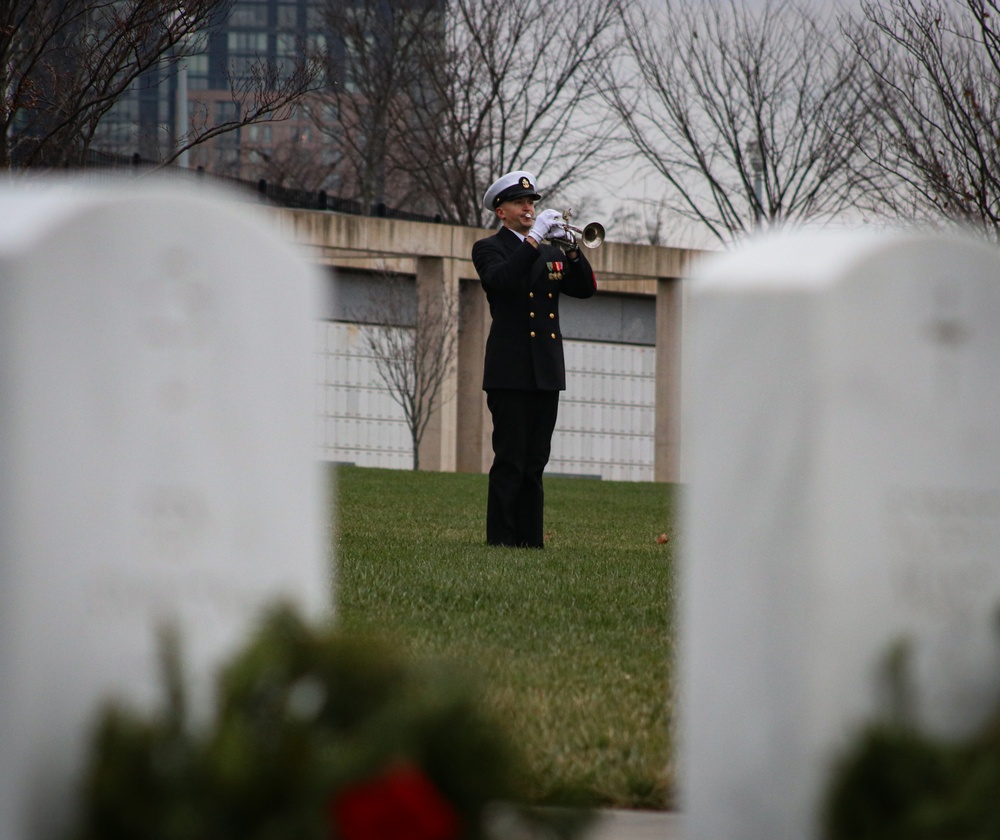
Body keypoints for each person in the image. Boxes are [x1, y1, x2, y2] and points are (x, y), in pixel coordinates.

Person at [471, 170, 597, 548]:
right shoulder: (489, 248)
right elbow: (503, 281)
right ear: (501, 211)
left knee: (535, 461)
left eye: (532, 204)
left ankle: (531, 541)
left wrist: (572, 249)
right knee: (510, 459)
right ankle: (501, 540)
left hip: (545, 369)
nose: (529, 208)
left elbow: (586, 289)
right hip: (510, 370)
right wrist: (535, 237)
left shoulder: (548, 251)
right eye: (520, 203)